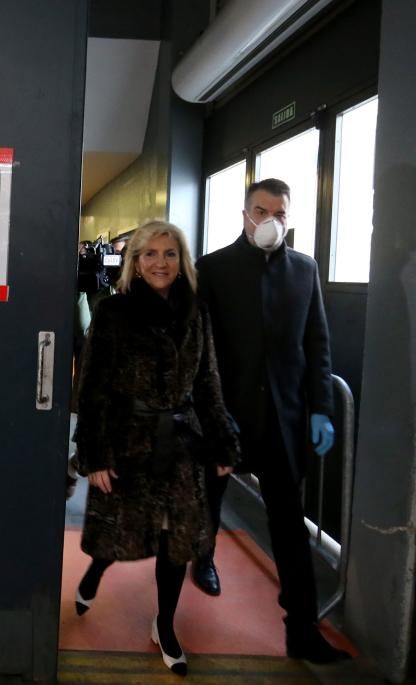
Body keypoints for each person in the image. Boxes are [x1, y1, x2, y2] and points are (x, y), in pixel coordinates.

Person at [73, 221, 241, 677]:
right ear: (135, 261)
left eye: (169, 253)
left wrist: (222, 439)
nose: (160, 263)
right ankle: (95, 572)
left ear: (181, 260)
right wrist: (94, 454)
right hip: (128, 441)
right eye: (150, 254)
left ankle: (164, 625)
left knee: (176, 541)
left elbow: (208, 382)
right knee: (119, 531)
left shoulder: (196, 312)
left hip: (183, 444)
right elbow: (93, 391)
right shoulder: (113, 313)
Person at [194, 178, 349, 663]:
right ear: (245, 215)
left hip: (284, 421)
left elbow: (317, 345)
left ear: (290, 217)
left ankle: (301, 629)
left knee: (288, 527)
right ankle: (203, 559)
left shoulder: (305, 270)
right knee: (208, 501)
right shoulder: (214, 269)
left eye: (279, 213)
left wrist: (321, 408)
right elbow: (201, 349)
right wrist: (204, 414)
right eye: (261, 211)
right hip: (226, 418)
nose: (270, 221)